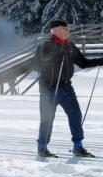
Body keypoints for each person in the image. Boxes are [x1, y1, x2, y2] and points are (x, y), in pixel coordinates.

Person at [33, 19, 103, 158]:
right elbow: (36, 65)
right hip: (49, 89)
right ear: (55, 29)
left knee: (75, 115)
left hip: (66, 88)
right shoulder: (45, 46)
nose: (68, 30)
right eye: (65, 28)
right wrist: (52, 59)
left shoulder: (69, 46)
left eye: (68, 28)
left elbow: (83, 63)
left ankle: (78, 147)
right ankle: (42, 147)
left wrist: (100, 60)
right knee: (47, 119)